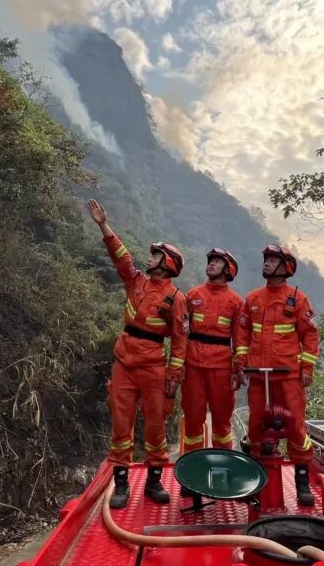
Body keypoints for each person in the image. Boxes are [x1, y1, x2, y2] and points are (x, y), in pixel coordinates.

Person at [87, 199, 188, 509]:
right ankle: (122, 483)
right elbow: (121, 257)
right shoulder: (136, 281)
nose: (149, 257)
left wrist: (173, 377)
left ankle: (154, 481)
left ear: (167, 263)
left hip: (153, 366)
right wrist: (104, 226)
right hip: (124, 363)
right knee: (121, 424)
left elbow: (180, 341)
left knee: (155, 425)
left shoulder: (176, 299)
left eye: (156, 255)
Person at [234, 245, 320, 506]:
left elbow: (310, 334)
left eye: (273, 260)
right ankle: (256, 483)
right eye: (267, 259)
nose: (267, 263)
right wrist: (241, 363)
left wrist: (307, 368)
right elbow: (242, 334)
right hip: (258, 376)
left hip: (288, 376)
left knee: (295, 427)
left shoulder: (298, 299)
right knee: (256, 427)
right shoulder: (252, 299)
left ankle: (302, 481)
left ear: (286, 267)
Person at [181, 249, 243, 471]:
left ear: (228, 270)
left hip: (222, 369)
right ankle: (192, 470)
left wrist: (238, 369)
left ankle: (222, 469)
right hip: (193, 366)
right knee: (192, 421)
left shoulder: (236, 302)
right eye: (211, 261)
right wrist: (178, 364)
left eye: (217, 262)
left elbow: (239, 339)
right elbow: (181, 333)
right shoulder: (192, 295)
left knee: (222, 423)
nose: (211, 264)